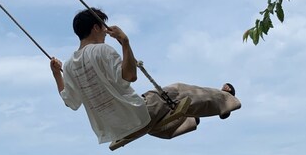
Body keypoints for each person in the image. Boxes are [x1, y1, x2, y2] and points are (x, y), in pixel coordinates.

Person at [50, 8, 241, 146]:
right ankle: (227, 100)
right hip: (134, 117)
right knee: (177, 91)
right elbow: (130, 76)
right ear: (96, 27)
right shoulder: (101, 50)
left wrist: (57, 74)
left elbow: (70, 102)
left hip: (114, 130)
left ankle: (187, 123)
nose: (106, 35)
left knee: (152, 113)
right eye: (104, 28)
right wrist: (125, 42)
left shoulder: (69, 66)